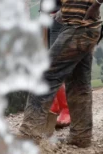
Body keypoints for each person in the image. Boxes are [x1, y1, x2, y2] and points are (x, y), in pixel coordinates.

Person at [20, 0, 103, 148]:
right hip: (84, 27)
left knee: (44, 79)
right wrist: (63, 12)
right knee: (79, 83)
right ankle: (80, 136)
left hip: (78, 28)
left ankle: (28, 136)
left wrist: (96, 4)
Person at [41, 0, 71, 128]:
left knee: (55, 65)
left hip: (60, 17)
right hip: (46, 16)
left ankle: (66, 109)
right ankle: (56, 105)